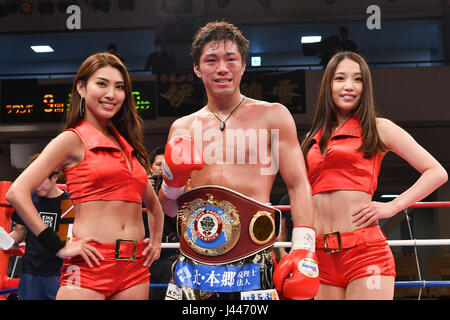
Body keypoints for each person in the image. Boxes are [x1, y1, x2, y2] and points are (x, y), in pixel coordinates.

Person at [158, 21, 318, 300]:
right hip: (196, 258)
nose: (222, 68)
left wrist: (304, 247)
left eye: (231, 59)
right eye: (211, 60)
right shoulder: (181, 128)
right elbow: (171, 210)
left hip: (254, 257)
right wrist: (172, 185)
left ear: (243, 65)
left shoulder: (273, 117)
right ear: (197, 68)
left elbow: (298, 185)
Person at [5, 52, 164, 300]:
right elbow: (17, 192)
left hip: (134, 267)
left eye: (119, 87)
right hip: (90, 263)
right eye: (102, 83)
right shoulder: (72, 139)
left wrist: (155, 242)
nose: (112, 94)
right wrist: (57, 246)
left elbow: (154, 206)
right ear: (81, 87)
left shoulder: (128, 146)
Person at [300, 51, 448, 300]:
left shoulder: (379, 128)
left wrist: (393, 206)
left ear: (365, 87)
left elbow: (437, 172)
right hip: (320, 255)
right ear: (328, 85)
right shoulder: (312, 137)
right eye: (340, 79)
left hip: (364, 253)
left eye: (358, 80)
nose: (349, 86)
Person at [7, 154, 69, 300]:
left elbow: (70, 240)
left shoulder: (68, 204)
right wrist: (5, 240)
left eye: (41, 181)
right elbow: (19, 232)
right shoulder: (27, 200)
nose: (37, 186)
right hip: (31, 273)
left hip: (58, 273)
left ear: (54, 177)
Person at [145, 146, 180, 300]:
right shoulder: (141, 186)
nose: (162, 169)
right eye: (159, 165)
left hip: (170, 256)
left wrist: (172, 193)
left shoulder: (178, 190)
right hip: (145, 254)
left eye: (166, 166)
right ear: (150, 167)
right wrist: (143, 191)